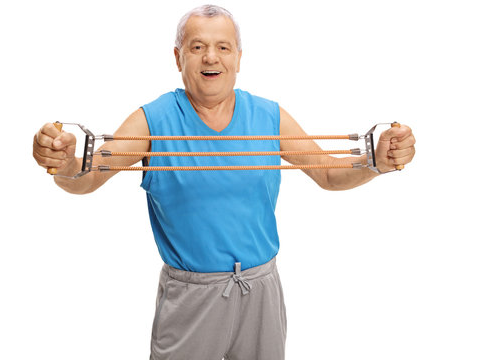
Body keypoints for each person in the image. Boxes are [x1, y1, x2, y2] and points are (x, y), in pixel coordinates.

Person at [33, 5, 416, 360]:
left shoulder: (268, 116)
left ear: (238, 58)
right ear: (178, 57)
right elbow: (86, 179)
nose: (210, 57)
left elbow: (330, 175)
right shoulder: (154, 120)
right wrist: (64, 164)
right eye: (197, 46)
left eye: (223, 47)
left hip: (260, 290)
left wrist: (375, 162)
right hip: (190, 297)